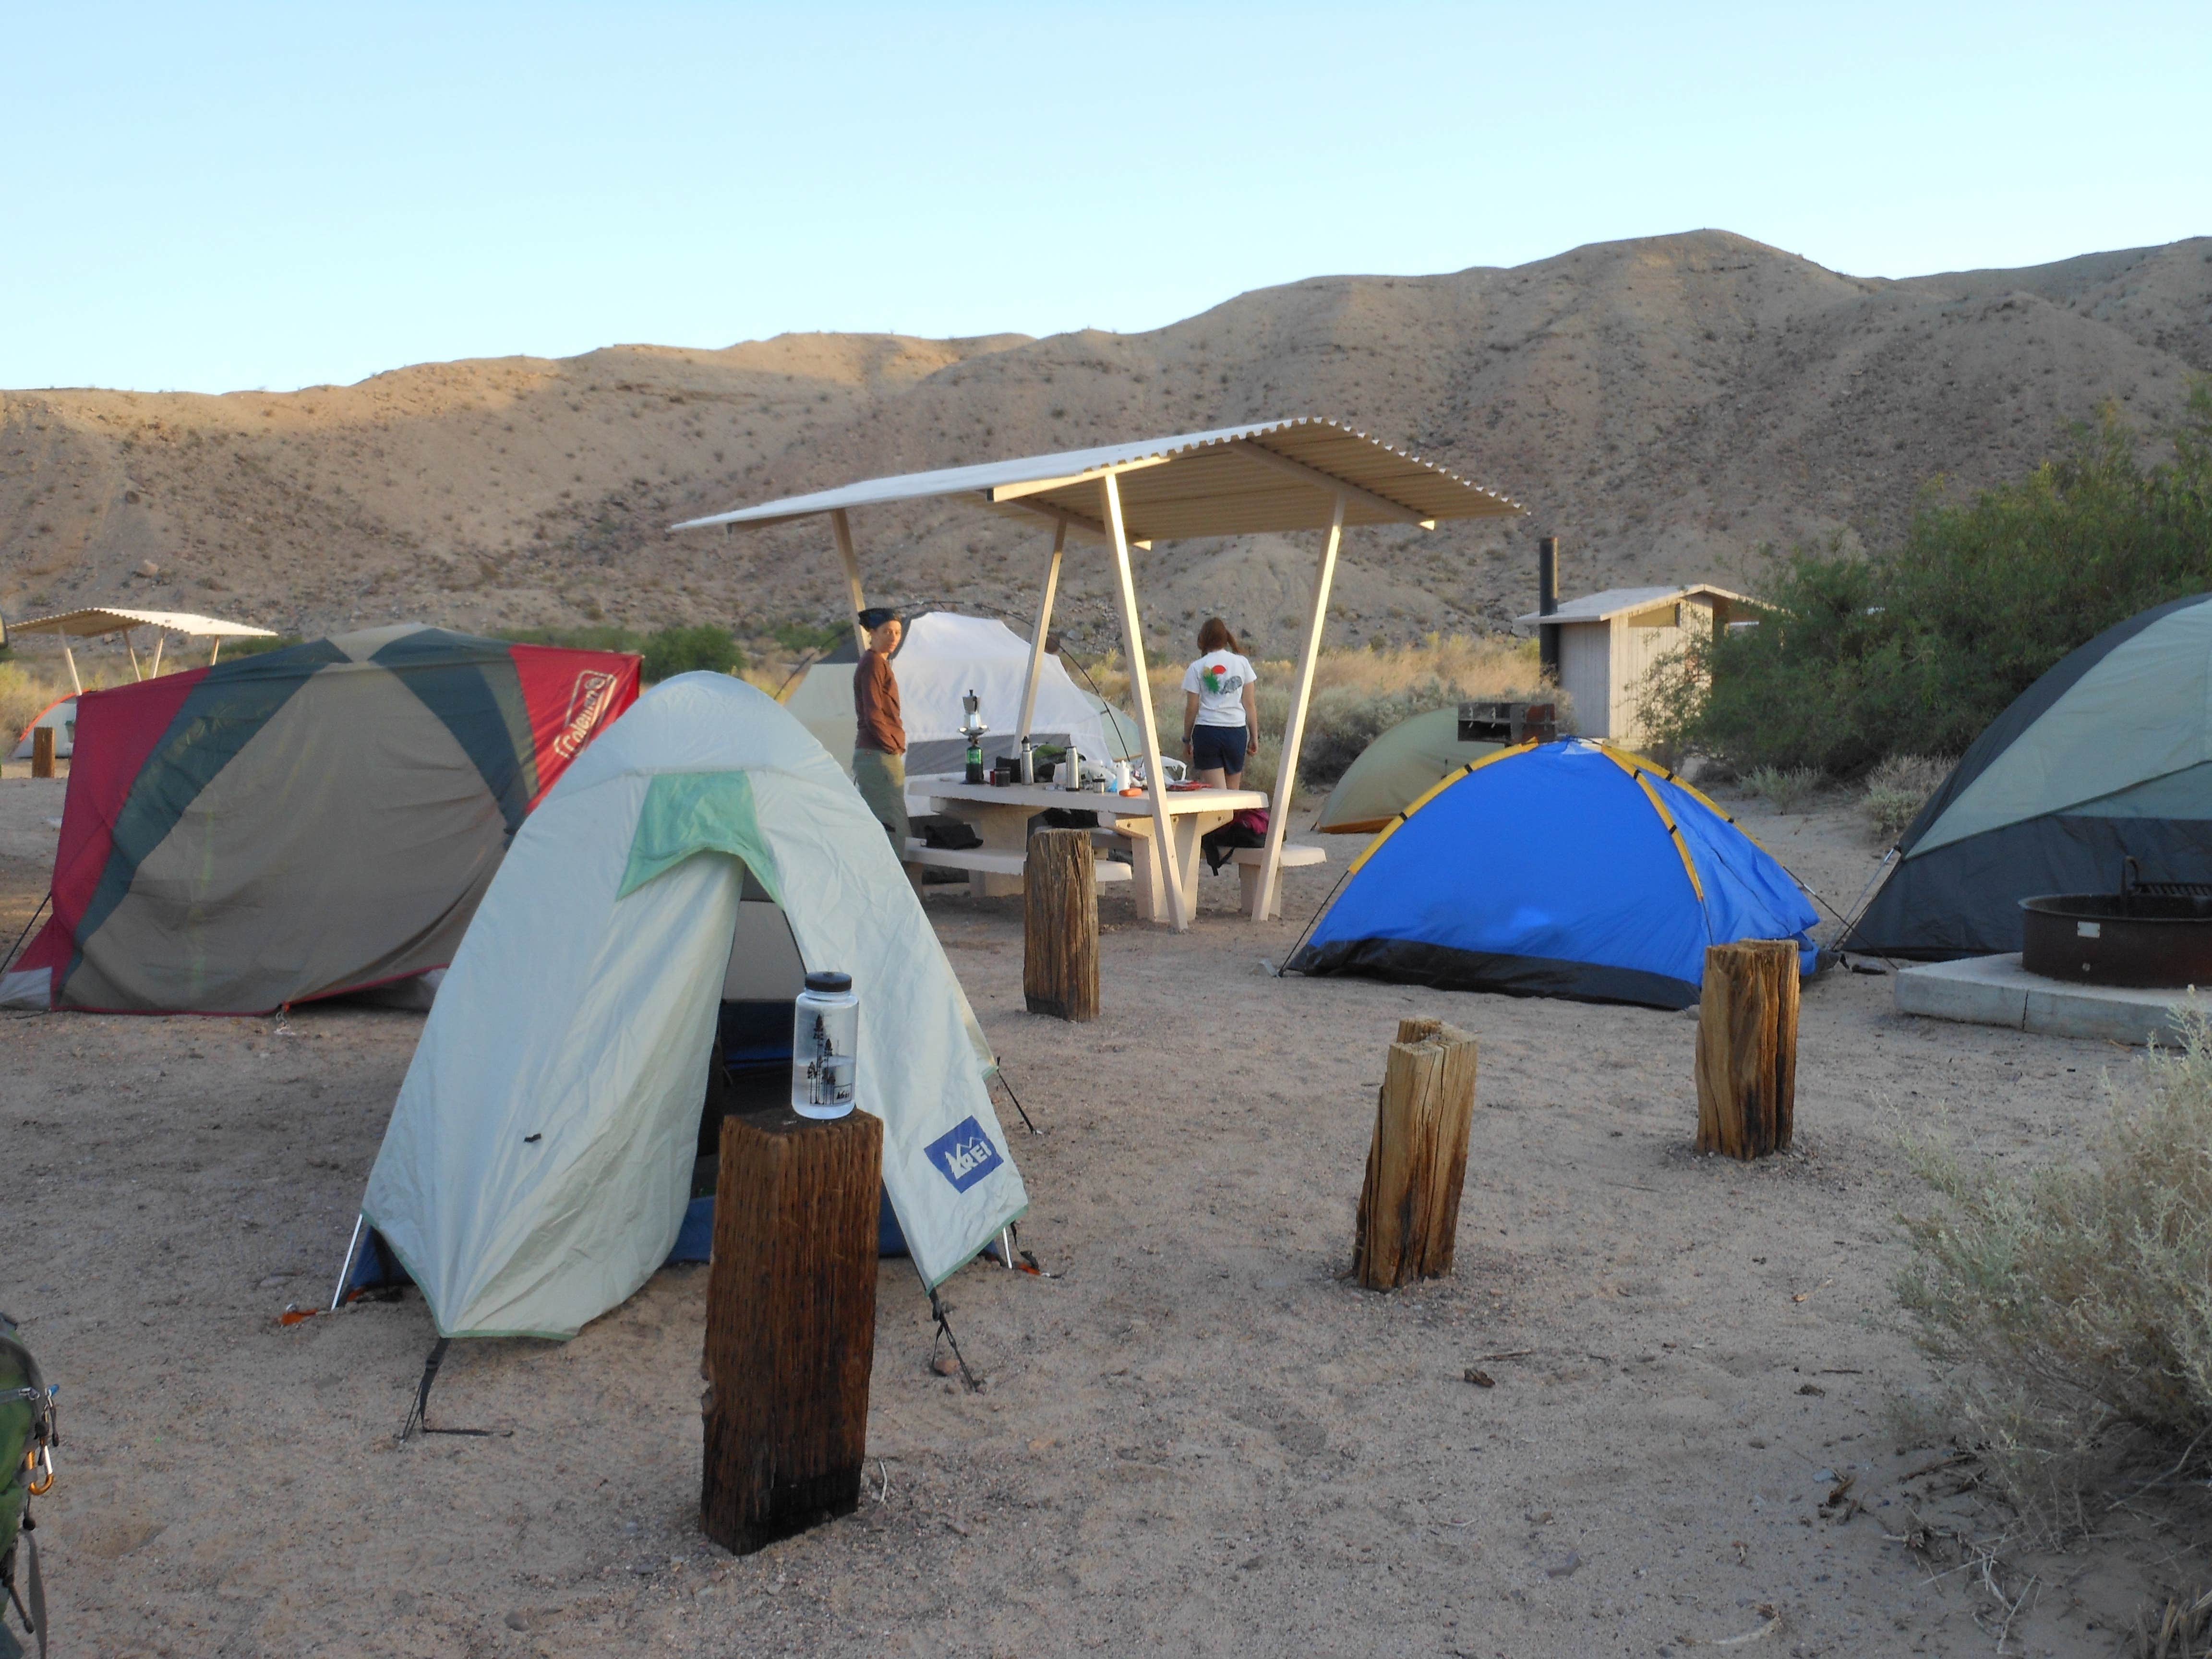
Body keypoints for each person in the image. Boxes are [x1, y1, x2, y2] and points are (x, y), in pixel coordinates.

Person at [851, 607, 909, 848]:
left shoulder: (878, 663)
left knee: (890, 824)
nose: (894, 637)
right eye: (887, 631)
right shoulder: (874, 664)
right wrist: (892, 746)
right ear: (872, 633)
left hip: (876, 754)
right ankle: (892, 883)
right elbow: (873, 713)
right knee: (891, 827)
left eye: (897, 632)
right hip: (878, 754)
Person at [1180, 617, 1260, 790]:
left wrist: (1187, 739)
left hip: (1208, 732)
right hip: (1236, 732)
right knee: (1233, 795)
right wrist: (1254, 736)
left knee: (1218, 796)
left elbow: (1192, 708)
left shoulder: (1197, 667)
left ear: (1204, 639)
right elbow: (1250, 704)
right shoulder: (1242, 663)